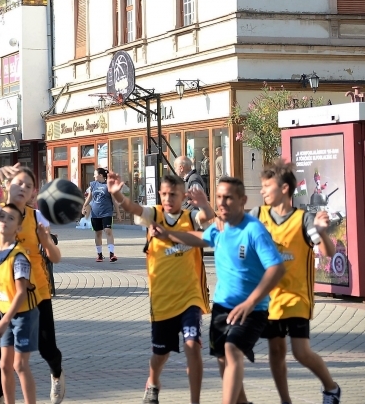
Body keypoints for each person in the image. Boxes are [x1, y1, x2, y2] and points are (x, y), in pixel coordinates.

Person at [153, 177, 286, 404]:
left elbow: (277, 268)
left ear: (242, 200)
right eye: (219, 198)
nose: (222, 203)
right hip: (222, 308)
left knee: (232, 350)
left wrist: (251, 302)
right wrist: (167, 234)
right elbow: (198, 238)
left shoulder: (254, 230)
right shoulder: (219, 228)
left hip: (250, 309)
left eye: (228, 198)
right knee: (223, 359)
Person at [108, 172, 213, 404]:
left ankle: (195, 401)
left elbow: (208, 217)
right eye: (164, 194)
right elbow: (133, 208)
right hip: (163, 300)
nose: (168, 198)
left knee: (192, 346)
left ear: (183, 195)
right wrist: (117, 194)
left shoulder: (190, 217)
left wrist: (204, 202)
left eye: (173, 194)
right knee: (160, 354)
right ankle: (153, 382)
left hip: (190, 297)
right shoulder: (153, 215)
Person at [254, 160, 342, 404]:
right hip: (270, 299)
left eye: (266, 186)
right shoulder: (257, 216)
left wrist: (323, 232)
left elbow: (328, 251)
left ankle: (331, 388)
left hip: (297, 297)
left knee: (300, 352)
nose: (262, 191)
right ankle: (285, 400)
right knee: (275, 351)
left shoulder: (303, 219)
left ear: (284, 189)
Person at [0, 165, 64, 404]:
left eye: (28, 186)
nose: (23, 188)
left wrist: (46, 239)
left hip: (37, 292)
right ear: (7, 186)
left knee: (47, 347)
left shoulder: (37, 217)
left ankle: (57, 374)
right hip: (5, 297)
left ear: (33, 194)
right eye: (18, 183)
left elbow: (56, 258)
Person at [0, 204, 39, 404]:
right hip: (5, 315)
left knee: (20, 365)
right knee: (4, 365)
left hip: (23, 316)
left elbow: (21, 293)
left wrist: (4, 320)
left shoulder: (18, 256)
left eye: (11, 218)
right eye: (2, 216)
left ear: (18, 229)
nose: (5, 220)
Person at [81, 168, 117, 262]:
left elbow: (114, 200)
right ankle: (99, 255)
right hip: (95, 213)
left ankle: (112, 254)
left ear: (100, 175)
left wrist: (118, 212)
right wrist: (84, 206)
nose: (94, 176)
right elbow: (89, 197)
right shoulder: (93, 184)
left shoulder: (109, 185)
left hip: (107, 212)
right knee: (98, 233)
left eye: (95, 174)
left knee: (108, 231)